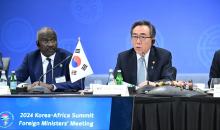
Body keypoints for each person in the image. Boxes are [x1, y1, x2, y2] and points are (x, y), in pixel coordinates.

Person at [16, 27, 84, 91]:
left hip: (61, 100)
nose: (51, 44)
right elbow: (13, 80)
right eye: (46, 41)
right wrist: (26, 87)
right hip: (38, 100)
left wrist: (52, 86)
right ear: (37, 44)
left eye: (53, 40)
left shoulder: (67, 57)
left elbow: (79, 83)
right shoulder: (31, 58)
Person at [114, 20, 176, 87]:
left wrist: (152, 84)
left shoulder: (163, 56)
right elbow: (115, 81)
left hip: (153, 96)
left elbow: (169, 80)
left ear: (152, 40)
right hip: (131, 96)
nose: (138, 41)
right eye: (135, 36)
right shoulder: (123, 57)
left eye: (142, 37)